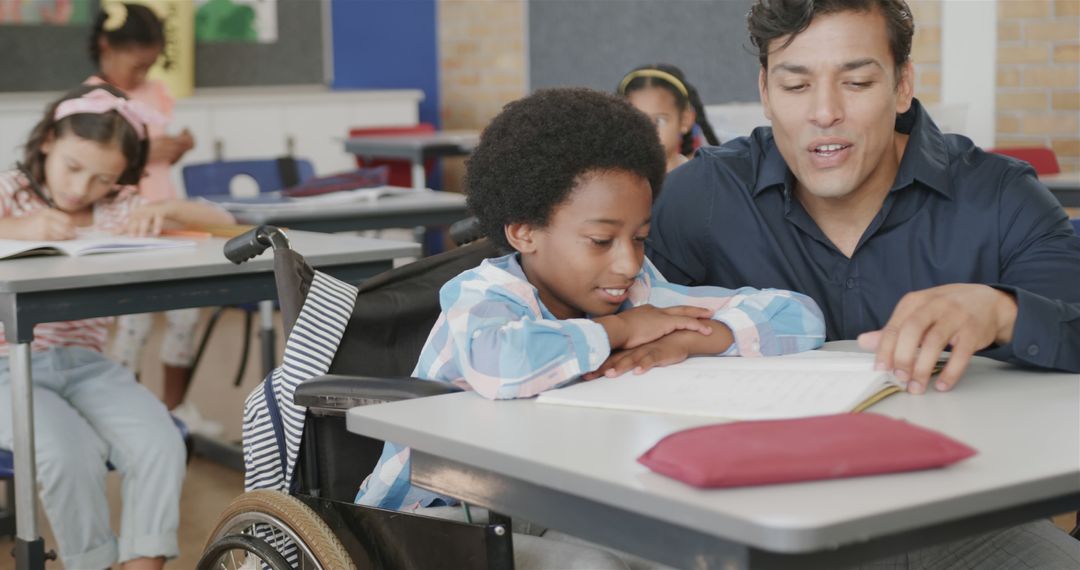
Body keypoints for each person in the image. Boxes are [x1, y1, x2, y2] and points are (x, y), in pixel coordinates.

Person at [647, 0, 1080, 566]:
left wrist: (1002, 311)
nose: (825, 112)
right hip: (751, 523)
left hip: (954, 521)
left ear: (902, 87)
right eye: (796, 85)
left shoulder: (999, 197)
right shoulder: (699, 198)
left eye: (855, 81)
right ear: (766, 92)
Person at [353, 87, 825, 568]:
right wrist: (623, 331)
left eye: (640, 238)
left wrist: (682, 341)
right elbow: (503, 363)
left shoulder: (637, 291)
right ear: (524, 232)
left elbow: (799, 316)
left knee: (690, 552)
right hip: (432, 515)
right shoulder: (483, 295)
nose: (627, 262)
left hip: (544, 502)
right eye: (601, 240)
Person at [0, 85, 224, 569]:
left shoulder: (119, 208)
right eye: (72, 167)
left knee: (162, 442)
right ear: (47, 142)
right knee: (66, 454)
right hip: (7, 369)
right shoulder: (11, 192)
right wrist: (20, 229)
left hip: (88, 367)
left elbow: (224, 221)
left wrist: (165, 209)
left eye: (103, 178)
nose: (82, 189)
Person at [88, 2, 222, 434]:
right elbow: (97, 160)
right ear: (106, 47)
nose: (142, 74)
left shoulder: (153, 93)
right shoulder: (91, 99)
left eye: (149, 66)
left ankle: (175, 408)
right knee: (133, 323)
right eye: (137, 64)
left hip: (170, 218)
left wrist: (178, 145)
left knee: (185, 315)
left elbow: (160, 147)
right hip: (126, 225)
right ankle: (122, 416)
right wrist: (146, 151)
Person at [618, 63, 720, 172]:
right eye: (636, 120)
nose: (647, 131)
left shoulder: (702, 179)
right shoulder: (611, 182)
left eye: (659, 120)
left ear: (685, 120)